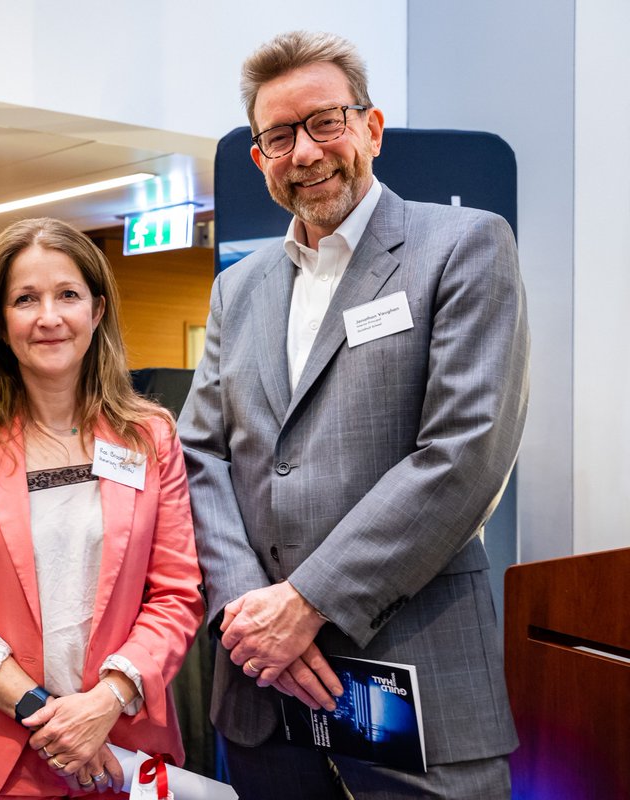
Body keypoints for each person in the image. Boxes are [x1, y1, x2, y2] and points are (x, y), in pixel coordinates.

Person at [178, 31, 529, 800]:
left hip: (414, 683)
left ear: (370, 128)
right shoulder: (240, 289)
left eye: (325, 122)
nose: (304, 153)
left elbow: (462, 454)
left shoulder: (463, 246)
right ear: (258, 159)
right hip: (264, 692)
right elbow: (197, 454)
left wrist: (306, 604)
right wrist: (248, 613)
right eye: (279, 136)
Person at [0, 218, 204, 799]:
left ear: (97, 311)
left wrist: (102, 705)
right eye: (26, 299)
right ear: (0, 322)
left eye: (67, 295)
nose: (49, 317)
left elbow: (177, 595)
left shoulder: (150, 438)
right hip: (3, 757)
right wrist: (51, 718)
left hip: (122, 747)